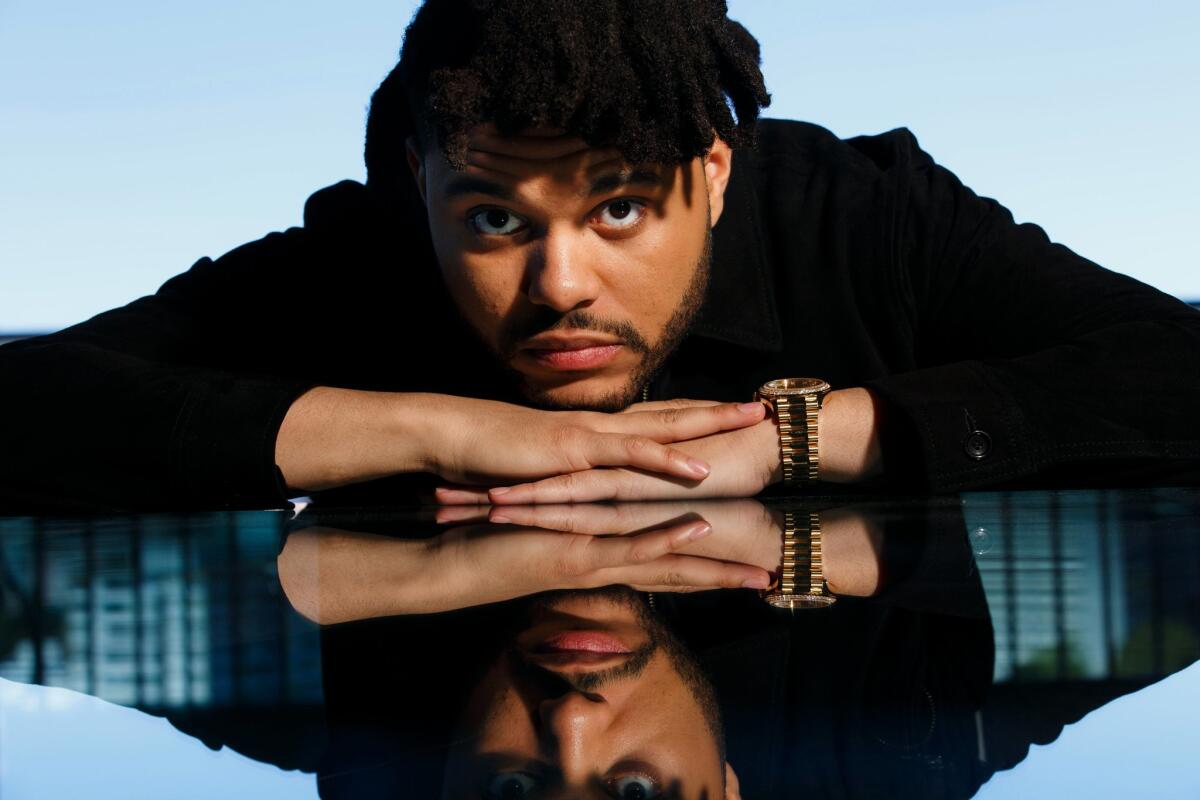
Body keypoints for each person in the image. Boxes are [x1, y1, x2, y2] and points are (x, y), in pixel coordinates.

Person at [2, 0, 1198, 511]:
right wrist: (449, 427)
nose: (560, 282)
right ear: (422, 189)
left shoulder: (863, 219)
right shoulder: (366, 251)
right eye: (493, 221)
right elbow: (29, 403)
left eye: (618, 210)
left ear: (716, 174)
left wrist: (803, 436)